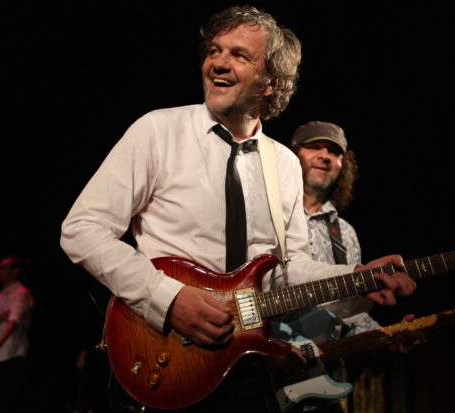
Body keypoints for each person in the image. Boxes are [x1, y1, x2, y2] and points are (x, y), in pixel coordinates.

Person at [60, 5, 416, 413]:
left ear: (271, 82)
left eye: (239, 55)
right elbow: (82, 229)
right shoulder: (157, 130)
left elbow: (287, 269)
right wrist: (168, 299)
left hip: (247, 370)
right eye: (214, 50)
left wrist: (354, 277)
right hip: (163, 355)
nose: (217, 63)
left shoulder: (284, 164)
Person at [269, 121, 424, 413]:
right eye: (314, 147)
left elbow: (349, 317)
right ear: (293, 154)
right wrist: (269, 351)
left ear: (344, 165)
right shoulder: (267, 213)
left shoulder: (345, 233)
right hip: (262, 374)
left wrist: (385, 337)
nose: (324, 156)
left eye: (334, 151)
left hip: (321, 383)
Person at [0, 255, 35, 413]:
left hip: (12, 355)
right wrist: (0, 316)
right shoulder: (0, 295)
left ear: (15, 271)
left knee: (5, 402)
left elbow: (14, 320)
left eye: (3, 268)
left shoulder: (21, 293)